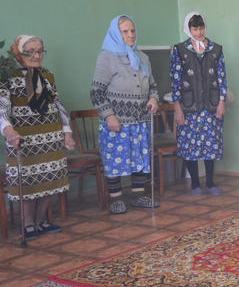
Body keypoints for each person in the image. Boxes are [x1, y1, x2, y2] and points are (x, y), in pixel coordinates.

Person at [1, 35, 74, 240]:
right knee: (28, 181)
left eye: (40, 51)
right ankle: (28, 224)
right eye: (31, 51)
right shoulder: (7, 74)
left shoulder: (47, 74)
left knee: (49, 180)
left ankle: (41, 221)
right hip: (23, 137)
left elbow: (57, 103)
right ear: (18, 52)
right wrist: (8, 130)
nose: (37, 55)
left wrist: (67, 131)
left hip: (50, 136)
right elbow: (2, 106)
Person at [91, 15, 160, 214]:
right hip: (117, 122)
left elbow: (153, 86)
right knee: (114, 160)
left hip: (140, 120)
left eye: (132, 30)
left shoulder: (143, 57)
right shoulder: (107, 57)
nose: (131, 35)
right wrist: (109, 116)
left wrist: (154, 99)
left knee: (140, 158)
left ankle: (138, 196)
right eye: (125, 31)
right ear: (116, 33)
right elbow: (96, 91)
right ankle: (116, 199)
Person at [170, 12, 227, 195]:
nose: (199, 32)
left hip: (211, 106)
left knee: (211, 146)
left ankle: (210, 182)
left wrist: (222, 101)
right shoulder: (180, 50)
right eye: (195, 28)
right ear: (189, 29)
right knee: (190, 146)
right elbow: (175, 81)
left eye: (201, 27)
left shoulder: (216, 49)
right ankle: (195, 184)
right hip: (189, 107)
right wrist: (177, 108)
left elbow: (222, 78)